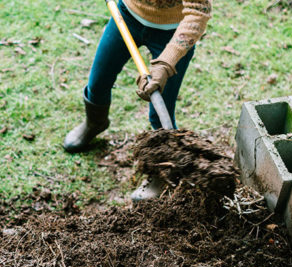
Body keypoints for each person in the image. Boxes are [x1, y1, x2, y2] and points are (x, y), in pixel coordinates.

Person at [63, 0, 212, 200]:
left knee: (161, 112)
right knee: (98, 83)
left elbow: (198, 12)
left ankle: (162, 168)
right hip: (127, 16)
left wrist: (167, 63)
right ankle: (95, 123)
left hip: (173, 33)